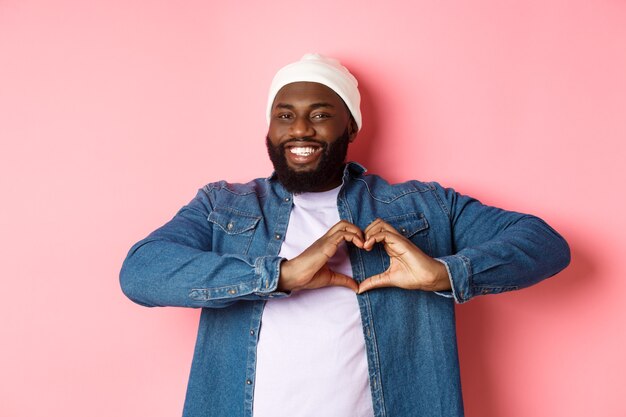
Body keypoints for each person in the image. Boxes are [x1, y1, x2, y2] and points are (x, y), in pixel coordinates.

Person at [120, 53, 570, 417]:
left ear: (350, 125)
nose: (300, 129)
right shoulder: (223, 205)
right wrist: (279, 275)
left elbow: (544, 242)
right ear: (270, 127)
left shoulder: (423, 206)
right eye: (285, 115)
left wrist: (442, 275)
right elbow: (141, 272)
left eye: (320, 114)